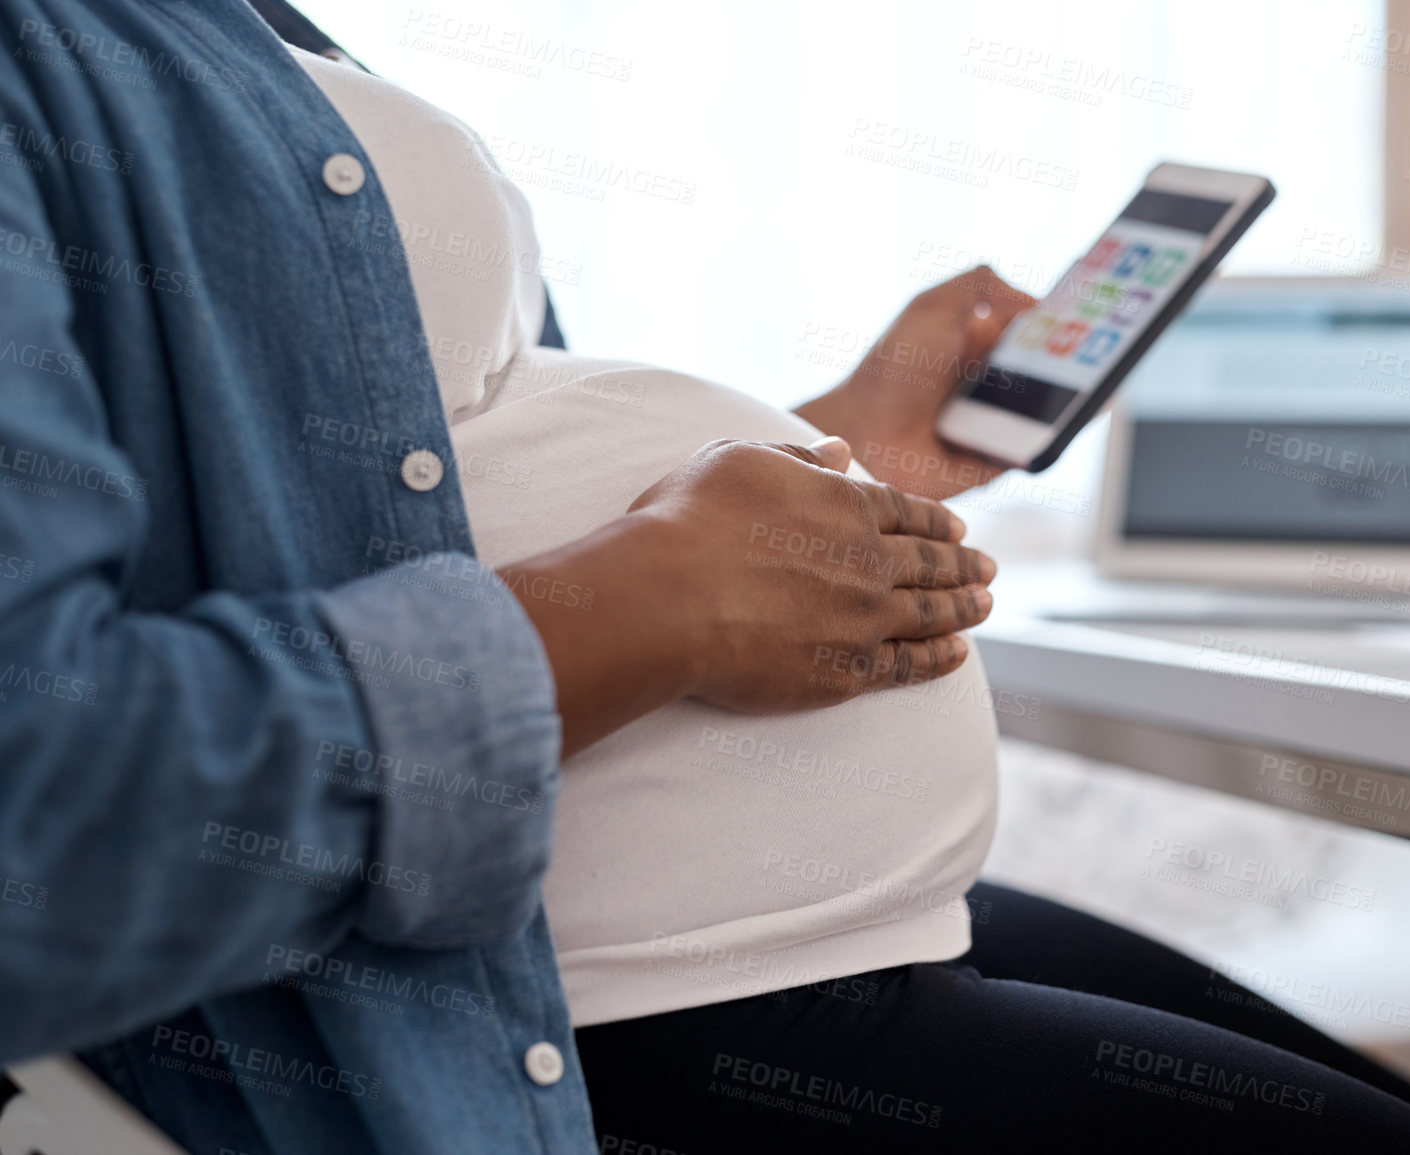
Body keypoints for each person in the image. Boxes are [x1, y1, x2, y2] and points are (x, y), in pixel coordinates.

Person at [290, 27, 1410, 1155]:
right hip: (576, 984)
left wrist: (835, 446)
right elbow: (136, 727)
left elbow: (454, 481)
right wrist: (668, 590)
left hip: (816, 930)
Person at [0, 4, 979, 1153]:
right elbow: (40, 804)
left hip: (812, 938)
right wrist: (664, 598)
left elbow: (414, 488)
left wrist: (824, 477)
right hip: (454, 1022)